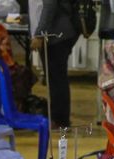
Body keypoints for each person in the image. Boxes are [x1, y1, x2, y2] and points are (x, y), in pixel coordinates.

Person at [30, 0, 79, 128]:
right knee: (56, 79)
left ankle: (59, 120)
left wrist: (39, 34)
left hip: (56, 37)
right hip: (61, 34)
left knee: (56, 80)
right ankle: (59, 118)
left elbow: (49, 8)